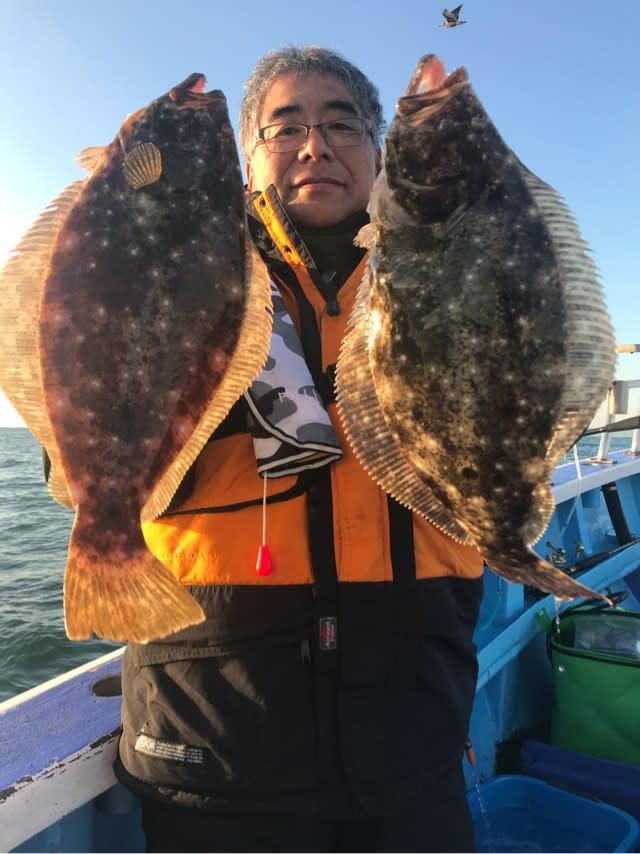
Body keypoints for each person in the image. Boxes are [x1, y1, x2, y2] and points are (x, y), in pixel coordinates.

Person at [112, 45, 485, 853]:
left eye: (341, 125)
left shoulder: (452, 272)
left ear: (379, 152)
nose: (315, 146)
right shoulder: (173, 266)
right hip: (214, 740)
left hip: (413, 730)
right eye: (285, 129)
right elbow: (78, 453)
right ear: (247, 161)